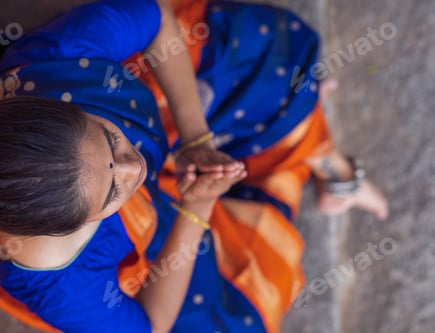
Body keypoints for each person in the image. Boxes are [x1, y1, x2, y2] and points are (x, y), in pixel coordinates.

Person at [0, 0, 388, 332]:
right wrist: (196, 210)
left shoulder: (58, 59)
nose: (134, 167)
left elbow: (158, 20)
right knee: (233, 315)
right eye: (112, 194)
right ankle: (309, 141)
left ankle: (316, 148)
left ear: (58, 107)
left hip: (163, 123)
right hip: (159, 224)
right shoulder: (58, 284)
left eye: (111, 139)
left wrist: (195, 136)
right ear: (70, 229)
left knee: (263, 53)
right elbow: (150, 324)